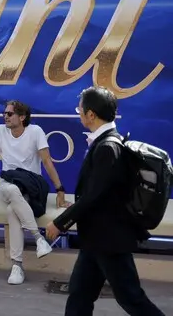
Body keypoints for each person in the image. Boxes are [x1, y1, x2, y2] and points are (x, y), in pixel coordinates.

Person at [46, 86, 165, 316]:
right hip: (96, 238)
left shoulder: (108, 147)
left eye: (80, 110)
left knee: (131, 298)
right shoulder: (105, 143)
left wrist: (60, 223)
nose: (79, 114)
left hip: (110, 240)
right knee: (79, 295)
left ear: (91, 114)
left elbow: (93, 195)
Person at [0, 100, 70, 285]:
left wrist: (60, 189)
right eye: (4, 113)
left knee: (12, 210)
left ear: (22, 117)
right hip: (7, 181)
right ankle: (38, 238)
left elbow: (47, 161)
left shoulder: (35, 131)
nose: (5, 116)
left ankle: (17, 266)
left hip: (31, 185)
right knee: (12, 190)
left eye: (10, 114)